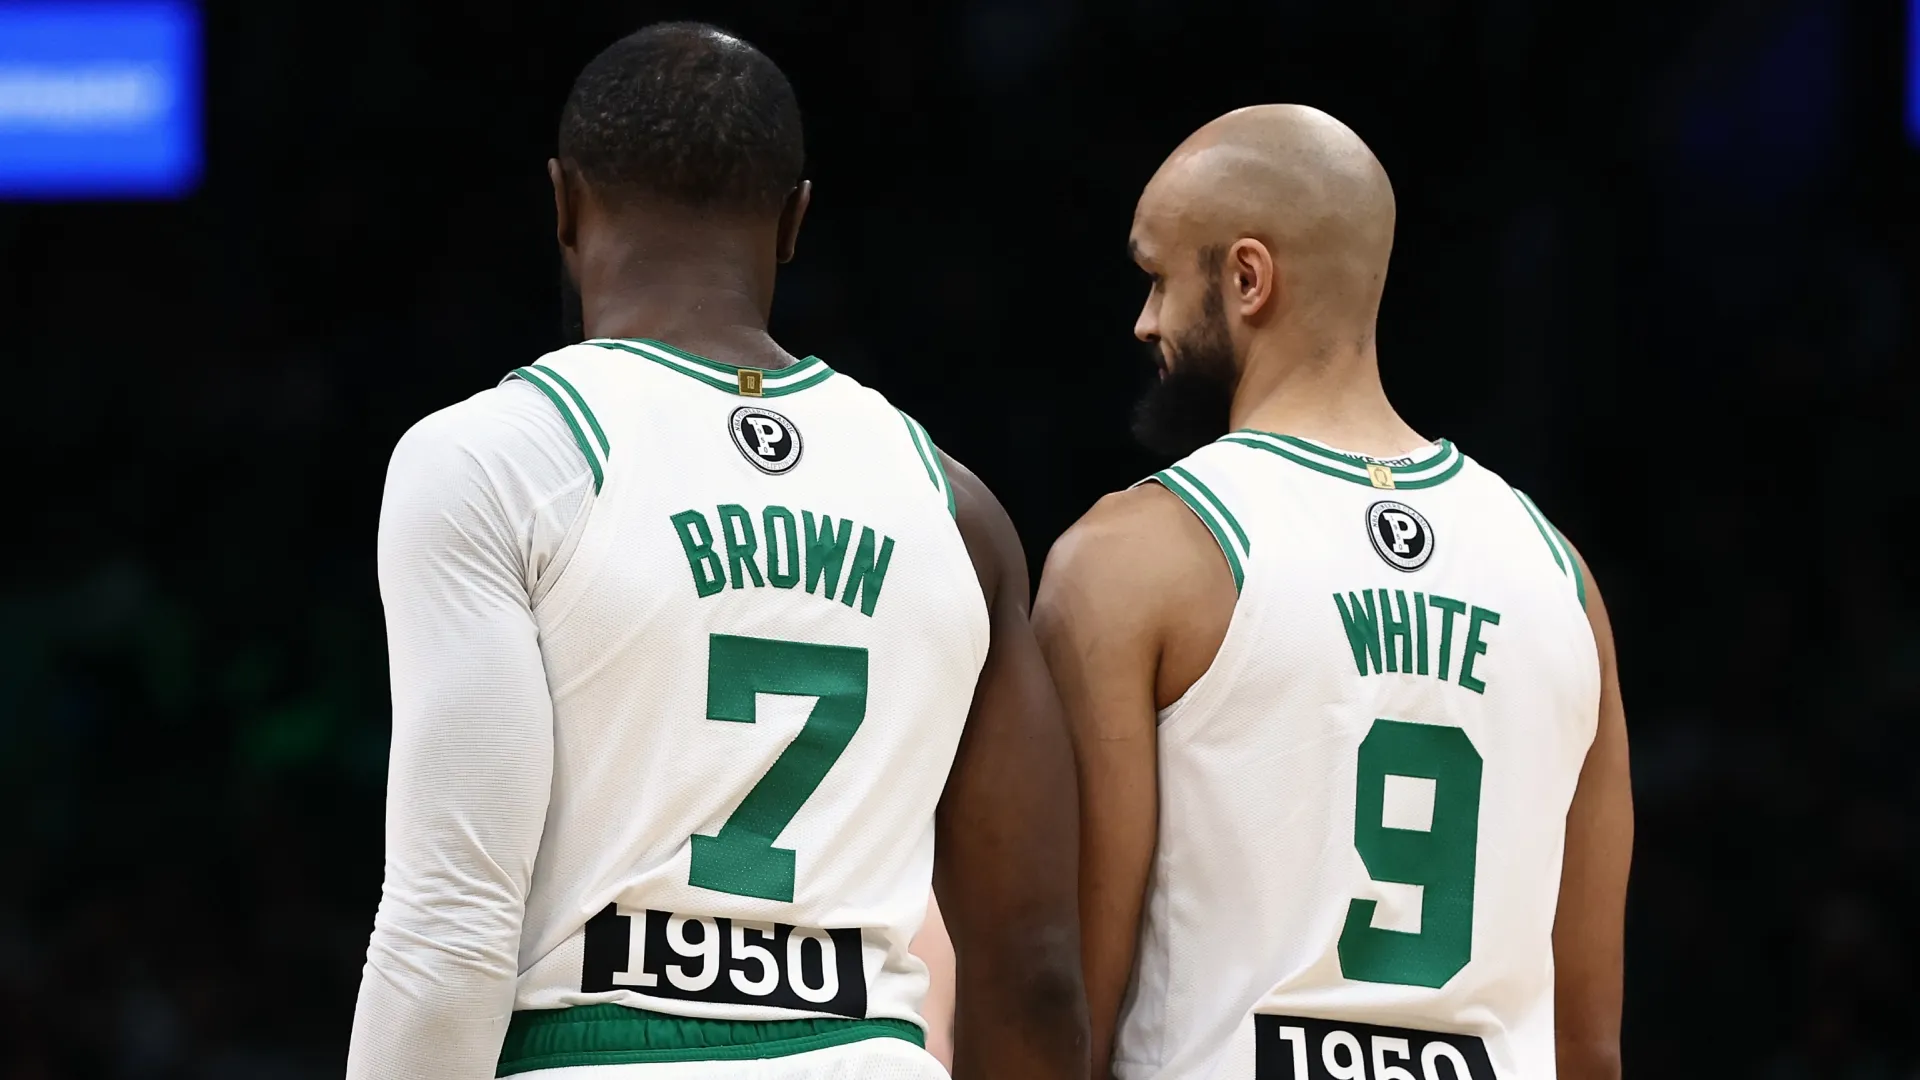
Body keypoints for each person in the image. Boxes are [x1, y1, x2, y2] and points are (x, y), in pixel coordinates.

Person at [346, 22, 1086, 1080]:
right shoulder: (956, 507)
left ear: (561, 202)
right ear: (794, 222)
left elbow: (452, 919)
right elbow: (1036, 971)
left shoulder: (493, 458)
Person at [1033, 104, 1631, 1080]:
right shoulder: (1559, 574)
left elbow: (1069, 1012)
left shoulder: (1136, 557)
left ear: (1247, 278)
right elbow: (1589, 1047)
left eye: (1157, 278)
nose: (1144, 322)